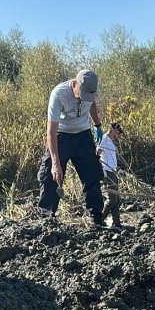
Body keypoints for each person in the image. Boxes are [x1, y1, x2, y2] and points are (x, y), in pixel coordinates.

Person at [37, 70, 105, 226]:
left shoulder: (89, 91)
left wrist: (97, 125)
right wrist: (55, 163)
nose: (84, 99)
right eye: (82, 95)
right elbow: (51, 132)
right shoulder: (58, 95)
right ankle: (46, 218)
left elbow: (92, 103)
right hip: (61, 135)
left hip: (83, 134)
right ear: (75, 84)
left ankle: (95, 217)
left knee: (92, 175)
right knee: (50, 175)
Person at [96, 122, 125, 229]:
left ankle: (116, 222)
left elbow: (110, 160)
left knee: (116, 198)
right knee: (112, 199)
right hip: (107, 173)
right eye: (118, 132)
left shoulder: (110, 142)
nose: (119, 134)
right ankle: (100, 220)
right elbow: (97, 154)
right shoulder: (103, 139)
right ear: (112, 130)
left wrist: (118, 169)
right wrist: (101, 170)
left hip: (113, 172)